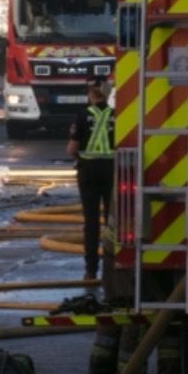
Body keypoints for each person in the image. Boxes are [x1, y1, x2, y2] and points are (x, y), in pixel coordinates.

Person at [67, 78, 115, 283]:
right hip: (112, 171)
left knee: (91, 222)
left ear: (91, 94)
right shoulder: (118, 116)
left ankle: (91, 270)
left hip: (88, 171)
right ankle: (113, 268)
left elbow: (71, 150)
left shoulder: (82, 116)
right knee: (113, 221)